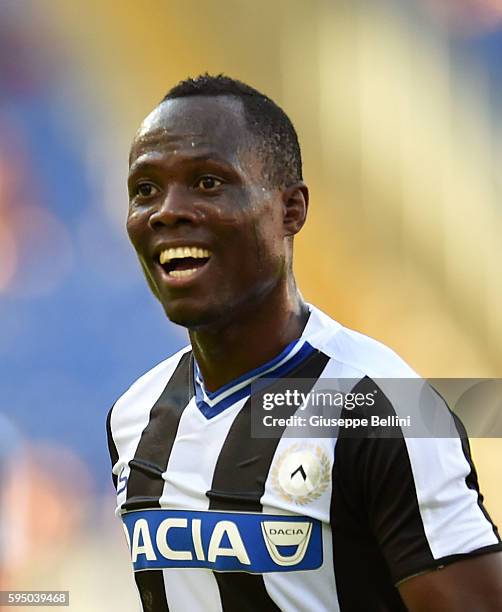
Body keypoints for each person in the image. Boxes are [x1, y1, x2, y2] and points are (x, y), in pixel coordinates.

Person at [106, 74, 502, 612]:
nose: (166, 211)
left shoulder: (386, 407)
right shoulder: (135, 417)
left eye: (207, 182)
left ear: (291, 210)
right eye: (145, 190)